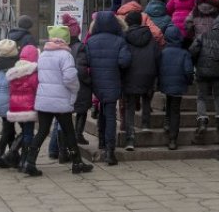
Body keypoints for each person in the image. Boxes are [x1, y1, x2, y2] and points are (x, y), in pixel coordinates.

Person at [24, 26, 93, 177]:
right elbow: (70, 78)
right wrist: (74, 91)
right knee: (69, 132)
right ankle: (77, 162)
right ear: (65, 39)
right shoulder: (65, 55)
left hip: (44, 100)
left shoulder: (42, 55)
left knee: (42, 131)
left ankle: (29, 161)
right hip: (61, 100)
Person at [86, 11, 131, 165]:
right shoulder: (120, 41)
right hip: (113, 81)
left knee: (101, 112)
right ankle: (110, 152)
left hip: (96, 84)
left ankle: (101, 142)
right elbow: (124, 62)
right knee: (110, 115)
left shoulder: (91, 41)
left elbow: (86, 62)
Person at [190, 15, 219, 143]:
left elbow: (193, 50)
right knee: (218, 96)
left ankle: (202, 120)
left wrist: (196, 65)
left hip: (202, 72)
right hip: (217, 73)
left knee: (201, 97)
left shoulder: (203, 36)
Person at [121, 12, 160, 151]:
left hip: (130, 75)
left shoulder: (124, 37)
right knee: (146, 99)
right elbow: (157, 56)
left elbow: (122, 57)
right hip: (149, 73)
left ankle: (130, 139)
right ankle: (145, 124)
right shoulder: (151, 37)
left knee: (130, 106)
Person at [158, 25, 194, 150]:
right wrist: (189, 81)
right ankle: (173, 139)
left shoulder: (162, 53)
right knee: (175, 110)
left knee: (169, 100)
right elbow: (189, 71)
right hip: (179, 84)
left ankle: (167, 123)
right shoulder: (184, 53)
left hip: (165, 84)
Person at [5, 45, 40, 172]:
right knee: (28, 135)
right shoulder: (33, 73)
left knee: (25, 132)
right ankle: (24, 160)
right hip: (28, 108)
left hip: (15, 108)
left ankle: (12, 154)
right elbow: (37, 89)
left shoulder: (14, 71)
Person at [0, 39, 20, 168]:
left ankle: (13, 158)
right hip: (11, 102)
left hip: (0, 101)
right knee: (9, 130)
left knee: (9, 129)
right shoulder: (16, 68)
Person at [63, 14, 91, 146]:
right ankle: (78, 134)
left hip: (65, 85)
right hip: (79, 86)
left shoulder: (62, 46)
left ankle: (60, 147)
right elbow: (80, 70)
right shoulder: (80, 47)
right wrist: (89, 80)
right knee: (82, 110)